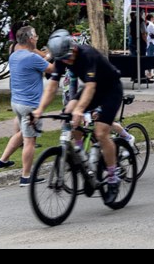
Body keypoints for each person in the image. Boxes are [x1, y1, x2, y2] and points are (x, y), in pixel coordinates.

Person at [46, 29, 125, 203]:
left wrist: (80, 110)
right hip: (93, 89)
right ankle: (82, 156)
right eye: (62, 59)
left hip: (110, 89)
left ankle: (113, 177)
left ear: (73, 48)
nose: (66, 61)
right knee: (68, 114)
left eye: (67, 57)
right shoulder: (61, 59)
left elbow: (90, 87)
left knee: (101, 132)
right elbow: (52, 86)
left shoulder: (87, 54)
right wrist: (38, 111)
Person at [0, 26, 53, 186]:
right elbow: (52, 68)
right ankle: (26, 176)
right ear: (29, 39)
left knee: (22, 133)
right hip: (30, 105)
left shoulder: (15, 56)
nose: (37, 37)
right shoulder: (31, 58)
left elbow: (40, 63)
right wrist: (58, 55)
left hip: (17, 103)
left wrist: (47, 57)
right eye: (35, 35)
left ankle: (2, 161)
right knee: (29, 141)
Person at [144, 14, 154, 83]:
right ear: (152, 18)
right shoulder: (151, 25)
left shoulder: (147, 24)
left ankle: (150, 73)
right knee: (151, 57)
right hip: (152, 43)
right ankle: (149, 74)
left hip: (149, 42)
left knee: (150, 56)